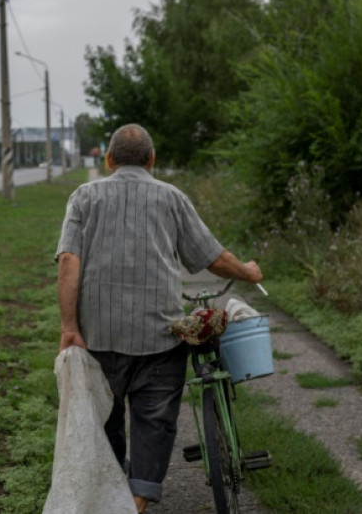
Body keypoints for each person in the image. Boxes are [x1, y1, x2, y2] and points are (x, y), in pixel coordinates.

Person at [55, 123, 262, 513]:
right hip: (160, 337)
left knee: (106, 420)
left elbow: (68, 261)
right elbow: (212, 258)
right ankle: (137, 501)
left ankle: (112, 494)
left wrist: (69, 328)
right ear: (152, 160)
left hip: (98, 336)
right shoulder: (171, 197)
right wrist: (249, 272)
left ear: (109, 159)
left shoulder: (83, 197)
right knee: (155, 422)